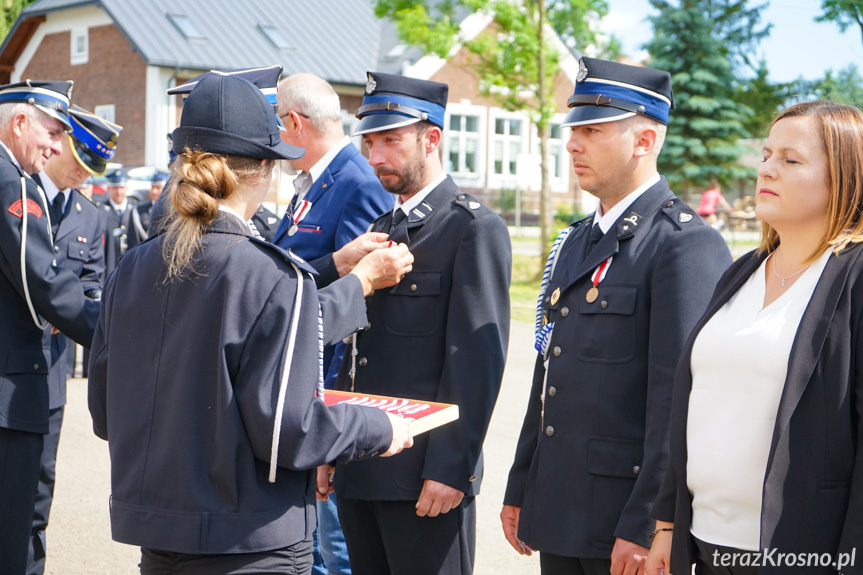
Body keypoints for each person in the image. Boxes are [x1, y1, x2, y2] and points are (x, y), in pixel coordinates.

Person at [88, 73, 416, 574]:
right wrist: (379, 426)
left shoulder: (132, 268)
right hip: (252, 544)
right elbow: (292, 431)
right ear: (266, 166)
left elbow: (106, 413)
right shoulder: (270, 274)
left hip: (160, 536)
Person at [500, 57, 732, 575]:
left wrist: (649, 522)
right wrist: (522, 484)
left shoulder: (686, 245)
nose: (572, 144)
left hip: (624, 521)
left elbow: (679, 402)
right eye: (572, 130)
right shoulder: (577, 240)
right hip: (561, 503)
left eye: (592, 130)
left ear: (644, 141)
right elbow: (548, 373)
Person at [645, 101, 863, 575]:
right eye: (766, 154)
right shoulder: (742, 271)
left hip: (800, 551)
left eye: (790, 159)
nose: (767, 169)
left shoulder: (855, 277)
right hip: (702, 543)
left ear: (846, 176)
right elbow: (694, 406)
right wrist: (666, 525)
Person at [330, 71, 511, 575]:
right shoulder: (379, 230)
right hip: (362, 463)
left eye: (391, 140)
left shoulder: (471, 228)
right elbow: (354, 353)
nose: (375, 156)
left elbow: (476, 362)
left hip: (424, 478)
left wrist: (451, 468)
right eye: (369, 142)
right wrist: (333, 444)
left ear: (431, 138)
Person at [275, 72, 394, 575]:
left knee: (334, 552)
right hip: (297, 384)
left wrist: (325, 403)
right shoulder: (319, 181)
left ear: (294, 123)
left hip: (318, 392)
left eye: (275, 125)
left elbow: (357, 305)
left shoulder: (356, 181)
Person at [0, 79, 101, 575]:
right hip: (10, 393)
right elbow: (42, 283)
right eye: (53, 132)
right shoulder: (12, 183)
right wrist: (120, 334)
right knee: (14, 532)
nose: (57, 146)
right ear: (20, 123)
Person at [28, 104, 118, 575]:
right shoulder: (22, 193)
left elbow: (93, 282)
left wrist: (82, 304)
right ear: (61, 144)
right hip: (14, 357)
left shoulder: (92, 215)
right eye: (82, 165)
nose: (86, 176)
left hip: (55, 365)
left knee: (40, 489)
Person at [99, 170, 134, 275]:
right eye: (115, 188)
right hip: (108, 268)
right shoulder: (100, 211)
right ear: (108, 189)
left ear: (126, 188)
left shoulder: (134, 210)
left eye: (121, 188)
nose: (118, 192)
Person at [127, 172, 165, 250]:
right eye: (152, 187)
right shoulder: (138, 211)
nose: (154, 191)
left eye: (158, 188)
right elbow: (133, 240)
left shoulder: (172, 211)